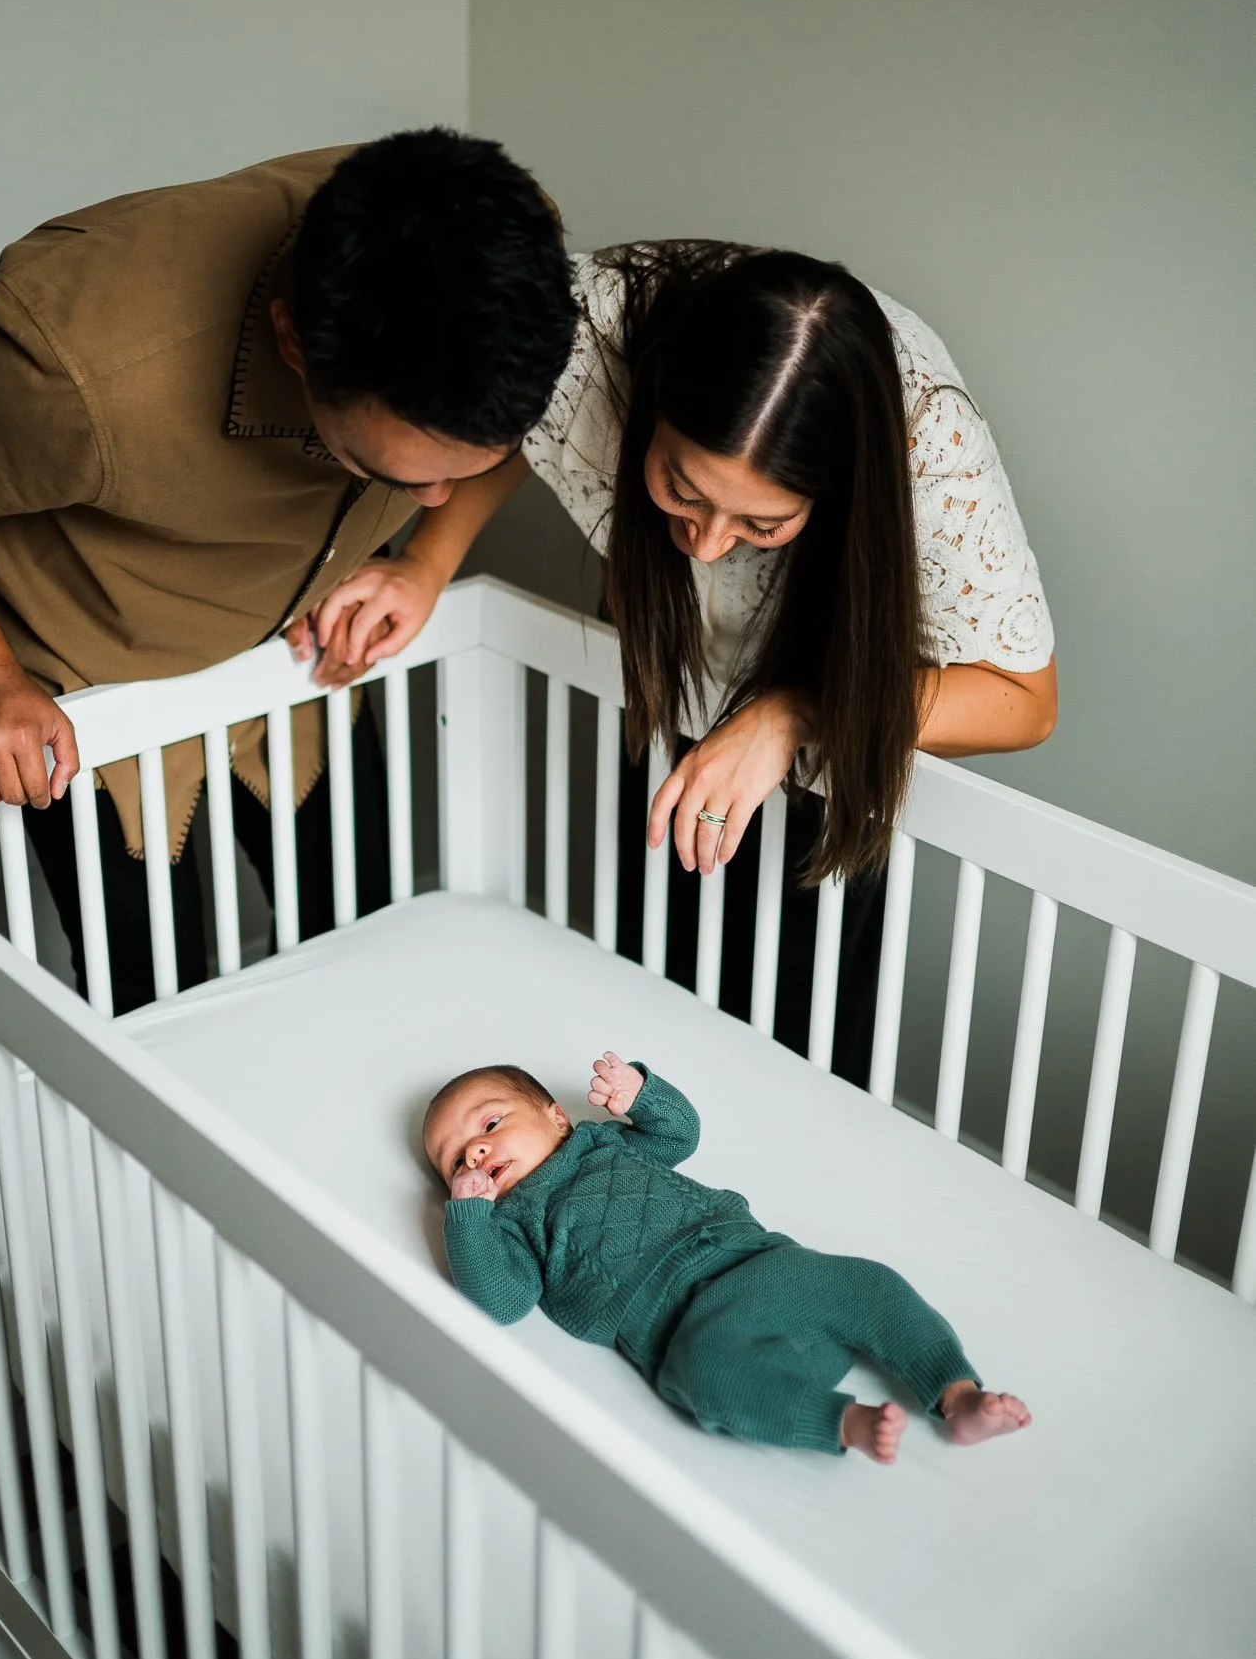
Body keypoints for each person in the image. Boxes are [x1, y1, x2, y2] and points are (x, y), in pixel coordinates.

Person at [314, 243, 1057, 1082]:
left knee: (800, 1006)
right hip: (666, 656)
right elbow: (519, 417)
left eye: (761, 525)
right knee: (647, 941)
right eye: (680, 489)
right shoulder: (581, 325)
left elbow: (1024, 702)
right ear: (652, 397)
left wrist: (796, 713)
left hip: (832, 694)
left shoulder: (932, 449)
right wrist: (426, 562)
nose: (704, 545)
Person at [0, 130, 575, 1011]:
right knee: (155, 990)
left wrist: (423, 561)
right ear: (293, 343)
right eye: (394, 475)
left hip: (299, 649)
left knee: (370, 923)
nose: (438, 499)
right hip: (91, 679)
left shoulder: (513, 261)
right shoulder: (76, 368)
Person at [424, 1051, 1031, 1463]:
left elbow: (679, 1134)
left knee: (870, 1284)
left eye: (490, 1124)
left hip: (760, 1262)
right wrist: (469, 1220)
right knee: (706, 1379)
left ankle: (956, 1394)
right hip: (689, 1327)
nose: (475, 1152)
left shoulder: (603, 1143)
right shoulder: (508, 1225)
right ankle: (844, 1423)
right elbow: (504, 1301)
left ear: (556, 1116)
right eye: (455, 1161)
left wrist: (641, 1093)